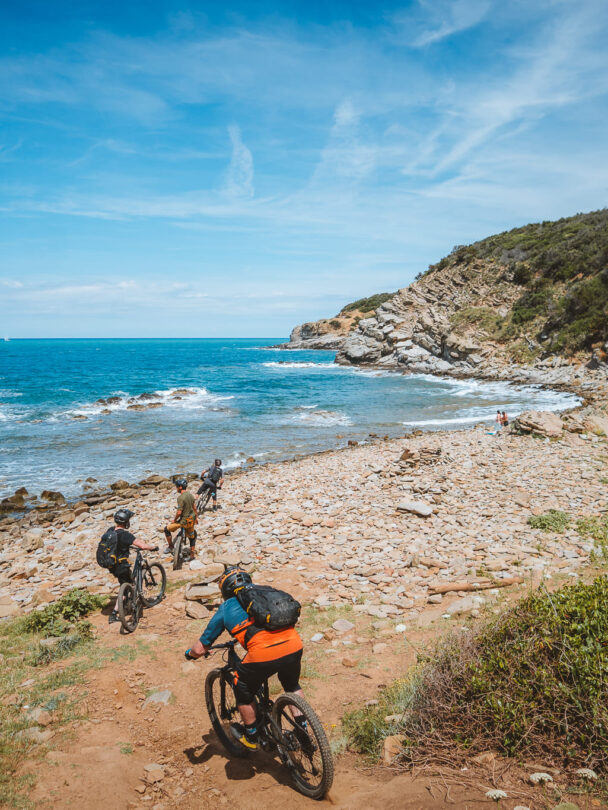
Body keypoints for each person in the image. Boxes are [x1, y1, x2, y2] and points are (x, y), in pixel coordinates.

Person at [184, 566, 306, 751]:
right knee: (292, 684)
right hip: (294, 644)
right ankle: (303, 729)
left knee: (242, 685)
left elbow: (200, 649)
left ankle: (251, 735)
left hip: (263, 653)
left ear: (225, 590)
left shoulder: (226, 608)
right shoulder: (265, 593)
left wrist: (190, 654)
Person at [106, 508, 158, 624]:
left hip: (111, 564)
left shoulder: (110, 531)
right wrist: (153, 547)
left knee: (125, 580)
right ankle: (114, 613)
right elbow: (142, 546)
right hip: (121, 566)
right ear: (126, 522)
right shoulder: (125, 535)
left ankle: (126, 599)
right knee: (128, 585)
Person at [163, 478, 197, 560]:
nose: (176, 488)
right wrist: (196, 518)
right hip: (191, 520)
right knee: (192, 537)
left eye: (177, 487)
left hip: (184, 521)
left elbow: (179, 512)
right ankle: (192, 555)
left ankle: (171, 546)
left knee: (166, 529)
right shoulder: (191, 495)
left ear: (180, 487)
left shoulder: (180, 498)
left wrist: (174, 520)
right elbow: (195, 508)